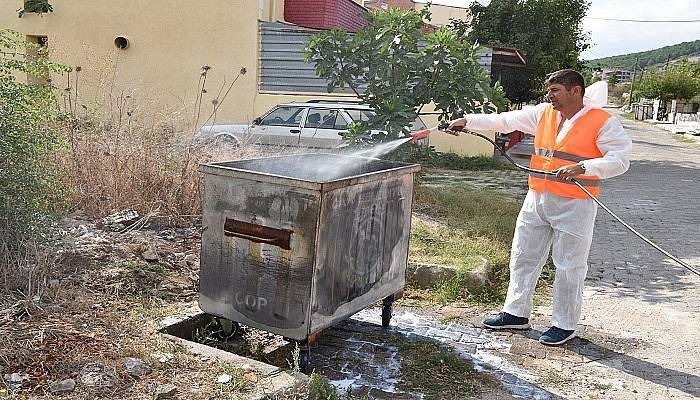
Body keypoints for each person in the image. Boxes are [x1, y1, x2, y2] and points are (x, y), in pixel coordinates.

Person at [447, 69, 632, 345]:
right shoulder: (544, 113)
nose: (549, 96)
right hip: (537, 198)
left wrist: (585, 167)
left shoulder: (602, 122)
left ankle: (564, 324)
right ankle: (516, 313)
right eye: (549, 91)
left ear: (575, 91)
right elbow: (505, 120)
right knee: (523, 256)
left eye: (555, 90)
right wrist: (468, 120)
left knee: (569, 265)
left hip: (575, 203)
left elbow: (620, 159)